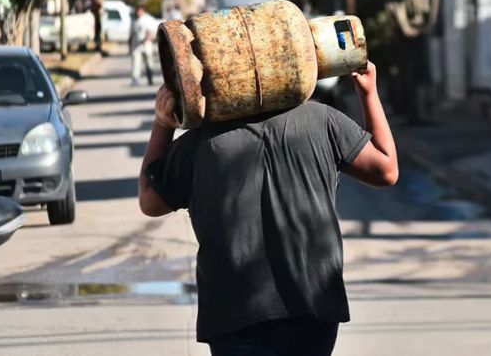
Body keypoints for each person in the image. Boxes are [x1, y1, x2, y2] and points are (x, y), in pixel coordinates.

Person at [139, 61, 398, 356]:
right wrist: (368, 93)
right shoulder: (323, 120)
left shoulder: (200, 142)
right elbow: (386, 170)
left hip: (233, 314)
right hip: (313, 307)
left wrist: (162, 124)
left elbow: (150, 200)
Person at [130, 0, 157, 86]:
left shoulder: (147, 19)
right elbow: (132, 33)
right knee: (136, 62)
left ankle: (150, 78)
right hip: (136, 45)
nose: (138, 12)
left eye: (139, 10)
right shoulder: (134, 20)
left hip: (146, 44)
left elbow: (150, 32)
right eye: (137, 10)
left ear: (143, 10)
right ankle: (135, 79)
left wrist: (147, 38)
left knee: (148, 63)